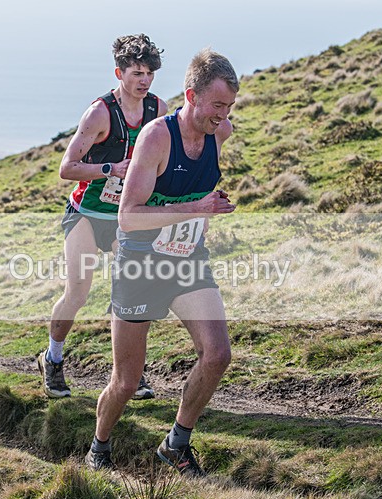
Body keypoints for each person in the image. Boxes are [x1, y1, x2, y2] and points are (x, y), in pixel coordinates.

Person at [85, 49, 239, 474]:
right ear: (191, 95)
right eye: (217, 106)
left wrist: (205, 211)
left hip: (186, 261)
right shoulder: (156, 137)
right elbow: (128, 218)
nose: (223, 117)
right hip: (140, 266)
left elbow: (198, 195)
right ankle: (99, 446)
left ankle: (176, 443)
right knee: (127, 382)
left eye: (229, 107)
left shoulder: (218, 134)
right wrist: (197, 208)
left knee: (217, 354)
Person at [37, 34, 168, 400]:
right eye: (137, 73)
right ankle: (53, 358)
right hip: (86, 214)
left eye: (150, 73)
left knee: (133, 293)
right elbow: (67, 168)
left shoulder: (159, 110)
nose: (144, 80)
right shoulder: (100, 113)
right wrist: (114, 168)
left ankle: (131, 372)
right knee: (77, 292)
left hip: (126, 216)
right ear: (119, 72)